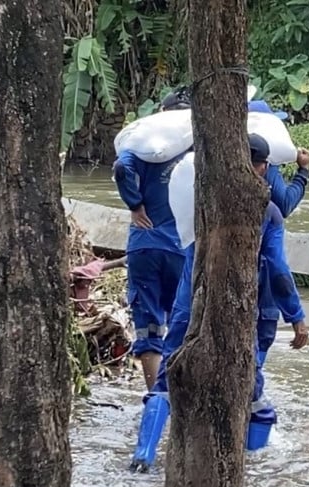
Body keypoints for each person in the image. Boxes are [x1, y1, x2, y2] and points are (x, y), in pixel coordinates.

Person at [129, 133, 309, 472]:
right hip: (246, 309)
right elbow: (278, 268)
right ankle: (249, 466)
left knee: (168, 377)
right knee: (252, 386)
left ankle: (143, 458)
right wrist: (296, 315)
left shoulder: (199, 197)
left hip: (190, 302)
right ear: (263, 167)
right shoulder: (267, 212)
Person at [113, 91, 191, 390]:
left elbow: (121, 168)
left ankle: (156, 395)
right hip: (180, 247)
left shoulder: (143, 142)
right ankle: (181, 394)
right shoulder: (191, 144)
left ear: (162, 111)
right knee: (180, 320)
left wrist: (134, 205)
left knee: (148, 324)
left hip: (144, 244)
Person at [247, 99, 309, 375]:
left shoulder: (209, 191)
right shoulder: (270, 203)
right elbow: (277, 266)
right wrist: (303, 173)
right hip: (260, 293)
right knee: (256, 356)